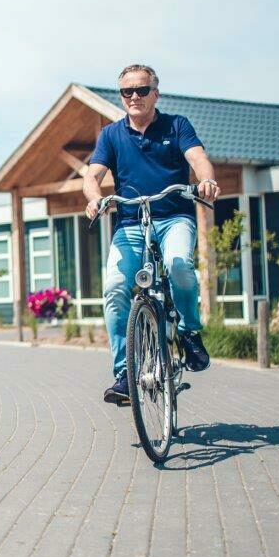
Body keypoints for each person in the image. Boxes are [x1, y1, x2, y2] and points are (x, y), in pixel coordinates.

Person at [82, 64, 220, 406]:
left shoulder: (177, 125)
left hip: (173, 216)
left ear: (155, 94)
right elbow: (92, 174)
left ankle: (189, 332)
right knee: (115, 287)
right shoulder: (112, 135)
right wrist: (94, 198)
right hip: (130, 223)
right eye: (127, 92)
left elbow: (198, 157)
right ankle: (125, 373)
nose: (134, 97)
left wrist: (207, 180)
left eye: (141, 90)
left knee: (177, 265)